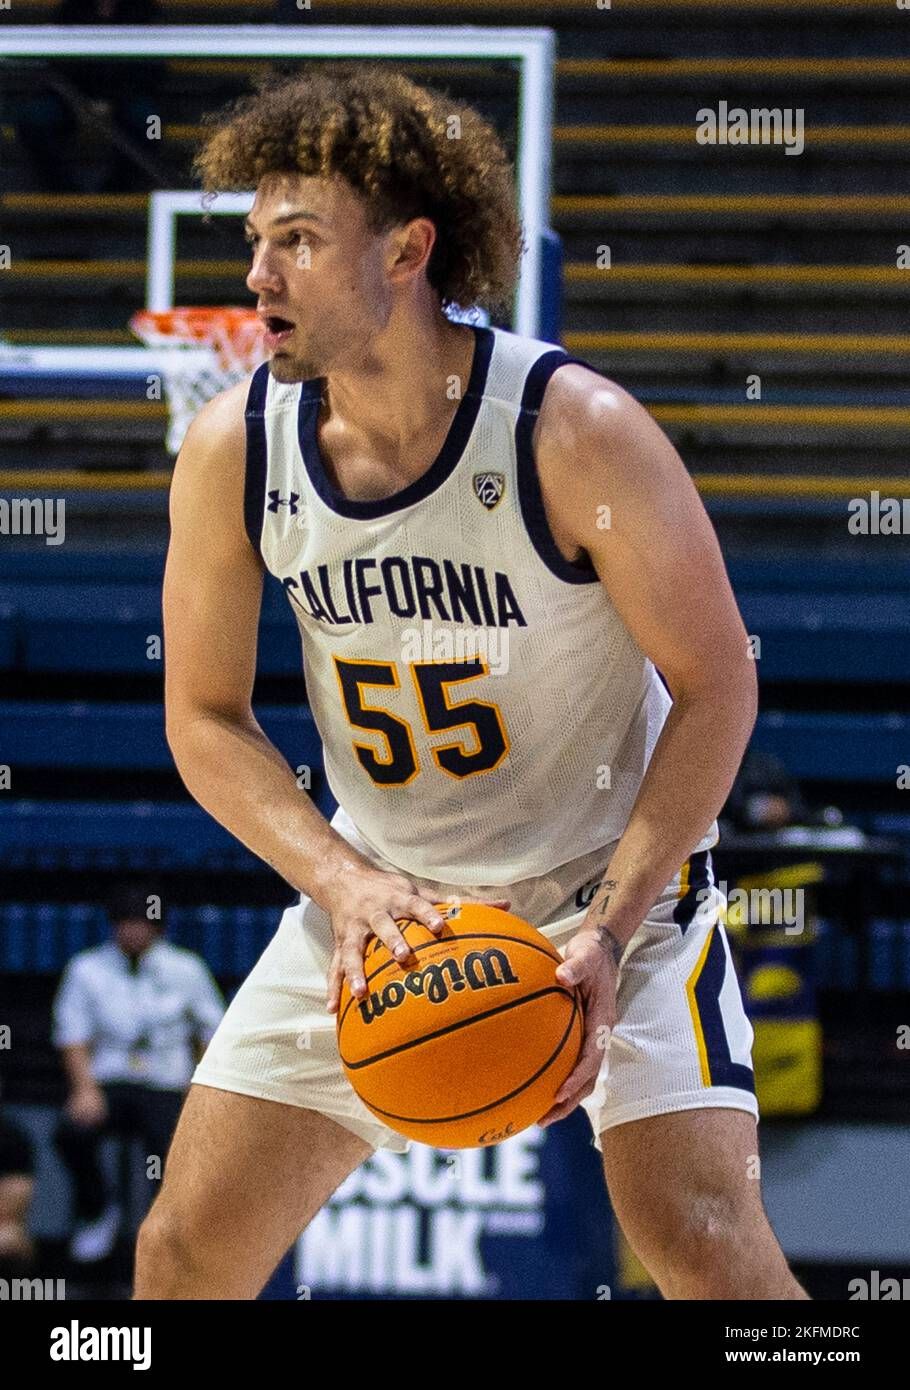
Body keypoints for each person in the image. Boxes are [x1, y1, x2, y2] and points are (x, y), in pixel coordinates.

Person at [136, 66, 808, 1300]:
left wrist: (608, 923)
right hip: (385, 906)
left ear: (406, 250)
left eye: (296, 241)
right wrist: (343, 883)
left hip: (609, 891)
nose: (256, 278)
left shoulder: (573, 431)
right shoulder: (235, 449)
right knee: (182, 1254)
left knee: (705, 1246)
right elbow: (203, 718)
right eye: (253, 241)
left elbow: (718, 690)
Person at [52, 882, 224, 1263]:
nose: (132, 930)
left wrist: (198, 1091)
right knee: (70, 1133)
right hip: (108, 1082)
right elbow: (72, 1034)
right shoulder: (87, 969)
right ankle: (97, 1208)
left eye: (140, 922)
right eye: (124, 922)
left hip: (165, 1083)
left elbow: (212, 1033)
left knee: (174, 1150)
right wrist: (84, 1089)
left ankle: (159, 1231)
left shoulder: (187, 969)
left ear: (158, 927)